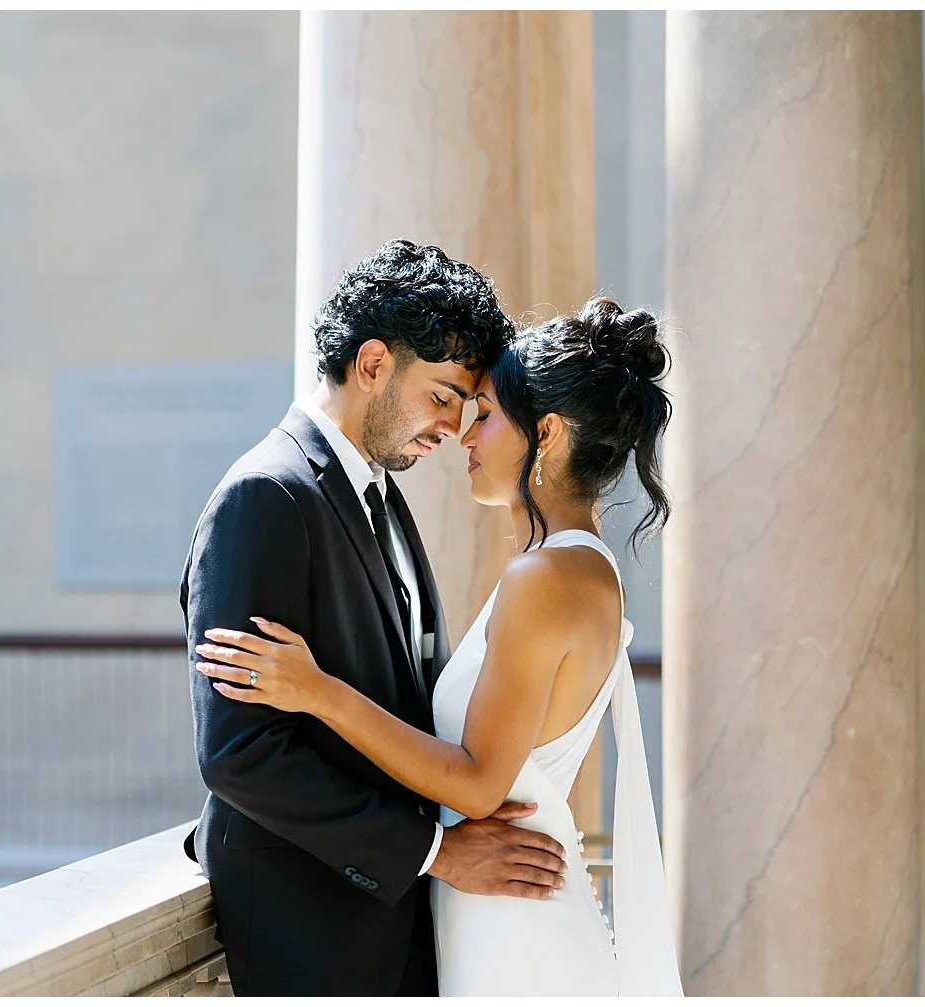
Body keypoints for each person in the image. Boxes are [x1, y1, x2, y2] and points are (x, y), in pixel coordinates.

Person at [195, 295, 684, 995]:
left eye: (482, 413)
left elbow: (480, 780)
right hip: (497, 902)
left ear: (544, 434)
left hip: (513, 925)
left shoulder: (545, 577)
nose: (463, 433)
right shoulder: (578, 567)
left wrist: (317, 690)